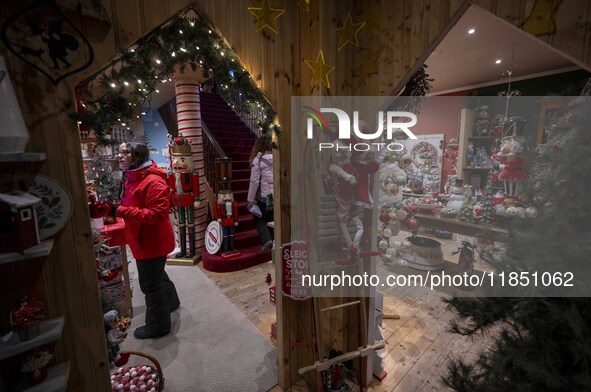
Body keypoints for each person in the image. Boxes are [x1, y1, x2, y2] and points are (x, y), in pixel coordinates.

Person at [110, 142, 180, 339]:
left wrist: (120, 211)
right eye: (119, 152)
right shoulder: (133, 178)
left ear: (137, 156)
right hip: (144, 239)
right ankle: (172, 302)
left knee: (151, 285)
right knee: (158, 276)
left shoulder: (152, 181)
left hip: (151, 242)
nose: (119, 156)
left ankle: (158, 326)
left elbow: (158, 214)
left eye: (125, 152)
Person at [246, 137, 274, 252]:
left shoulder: (257, 160)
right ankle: (273, 240)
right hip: (273, 195)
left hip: (262, 196)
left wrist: (250, 199)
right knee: (270, 217)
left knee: (259, 218)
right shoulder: (275, 158)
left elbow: (254, 181)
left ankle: (267, 240)